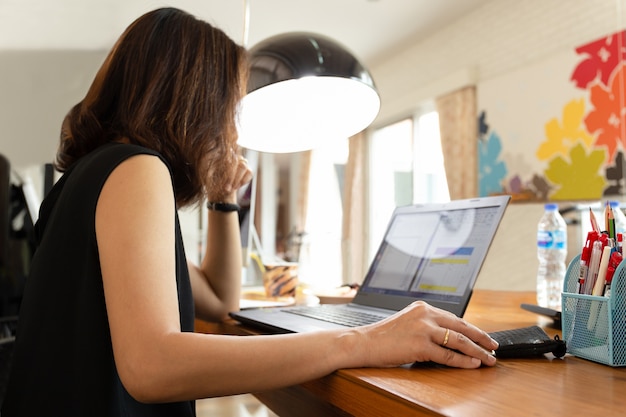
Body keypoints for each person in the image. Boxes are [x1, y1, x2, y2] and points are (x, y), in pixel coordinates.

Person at [1, 7, 498, 417]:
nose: (232, 129)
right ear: (197, 100)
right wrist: (360, 342)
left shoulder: (92, 177)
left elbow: (218, 300)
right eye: (230, 107)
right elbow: (152, 366)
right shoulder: (135, 169)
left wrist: (221, 197)